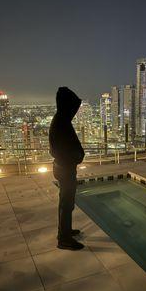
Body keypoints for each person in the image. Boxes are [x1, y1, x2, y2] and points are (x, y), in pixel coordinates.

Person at [49, 87, 85, 250]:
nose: (75, 111)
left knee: (66, 203)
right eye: (73, 107)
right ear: (66, 105)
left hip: (64, 167)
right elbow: (57, 149)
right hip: (65, 168)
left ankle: (65, 231)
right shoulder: (61, 122)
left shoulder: (60, 120)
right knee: (66, 203)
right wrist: (75, 157)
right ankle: (64, 239)